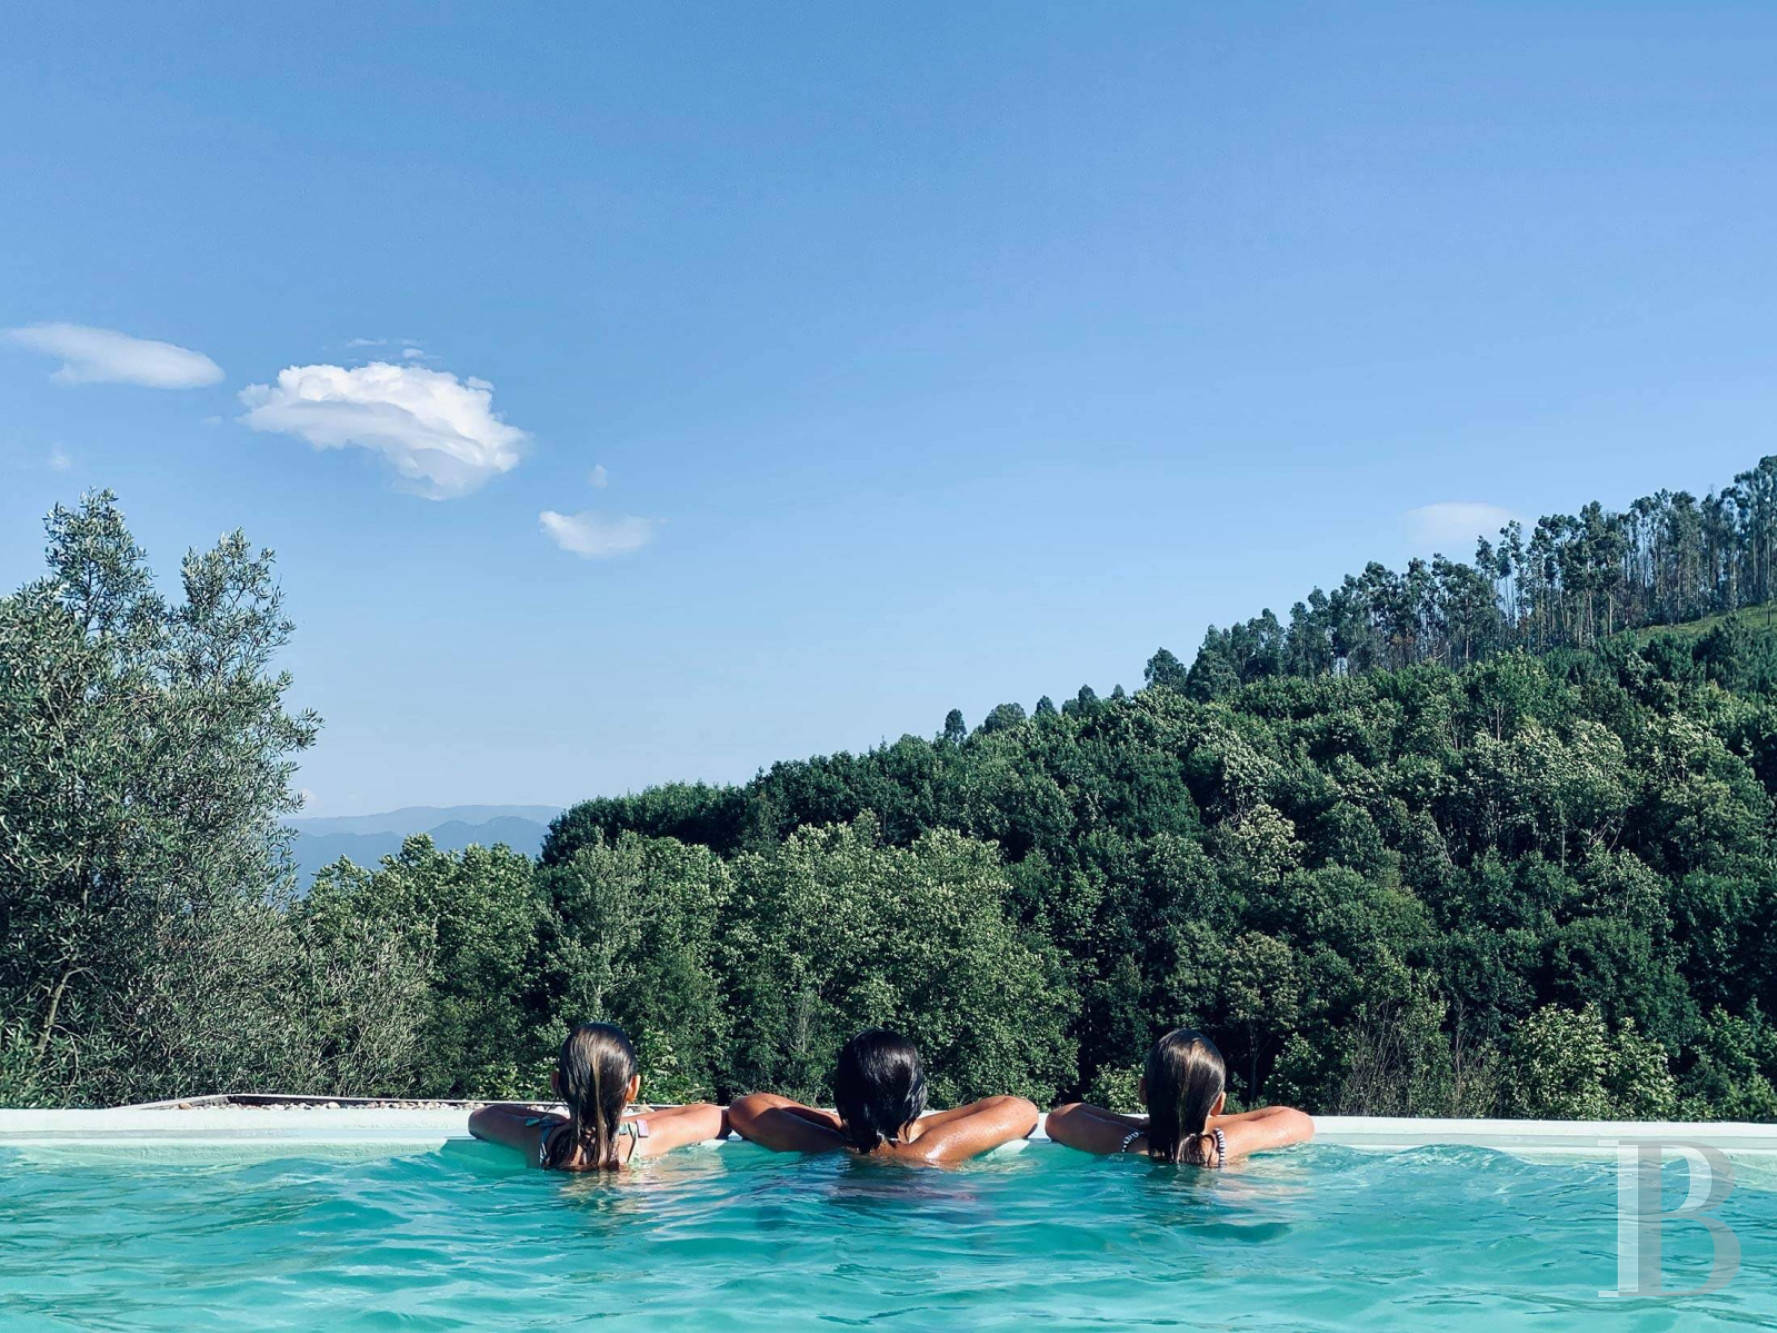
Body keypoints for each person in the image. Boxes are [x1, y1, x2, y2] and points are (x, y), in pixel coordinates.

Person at [728, 1027, 1038, 1166]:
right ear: (915, 1097)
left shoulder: (823, 1143)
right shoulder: (933, 1150)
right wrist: (914, 1127)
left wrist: (843, 1122)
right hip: (932, 1208)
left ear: (842, 1096)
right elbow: (1019, 1109)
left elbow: (747, 1107)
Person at [468, 1021, 727, 1170]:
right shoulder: (643, 1141)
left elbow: (480, 1117)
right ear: (633, 1088)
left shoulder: (538, 1138)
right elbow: (716, 1116)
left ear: (555, 1083)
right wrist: (634, 1121)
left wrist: (555, 1120)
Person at [1046, 1028, 1313, 1166]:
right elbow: (1298, 1122)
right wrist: (1206, 1121)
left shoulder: (1126, 1143)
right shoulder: (1221, 1146)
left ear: (1142, 1091)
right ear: (1219, 1104)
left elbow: (1060, 1118)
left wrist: (1140, 1124)